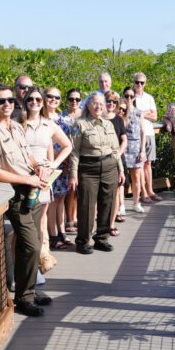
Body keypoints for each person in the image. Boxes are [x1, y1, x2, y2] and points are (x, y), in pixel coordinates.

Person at [0, 83, 52, 317]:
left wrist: (38, 167)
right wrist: (26, 179)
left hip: (32, 189)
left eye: (11, 100)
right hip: (15, 195)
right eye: (2, 101)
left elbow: (26, 154)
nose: (8, 104)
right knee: (30, 245)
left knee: (32, 242)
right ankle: (24, 299)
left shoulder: (16, 127)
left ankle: (26, 291)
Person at [20, 87, 72, 274]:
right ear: (25, 101)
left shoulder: (48, 124)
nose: (34, 102)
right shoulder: (18, 122)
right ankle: (30, 265)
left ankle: (42, 260)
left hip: (43, 177)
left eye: (38, 100)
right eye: (30, 99)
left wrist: (54, 164)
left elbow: (67, 145)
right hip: (22, 176)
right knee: (25, 223)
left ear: (42, 103)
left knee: (41, 221)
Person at [69, 92, 125, 254]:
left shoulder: (108, 124)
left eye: (101, 103)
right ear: (87, 105)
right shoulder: (79, 125)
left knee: (108, 203)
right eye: (94, 103)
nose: (98, 106)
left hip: (109, 167)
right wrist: (73, 174)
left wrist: (120, 170)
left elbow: (115, 150)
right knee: (86, 206)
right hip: (88, 169)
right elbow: (74, 152)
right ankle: (83, 242)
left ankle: (102, 239)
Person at [43, 87, 74, 250]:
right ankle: (52, 235)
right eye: (50, 96)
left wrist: (67, 161)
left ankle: (62, 232)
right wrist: (57, 155)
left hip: (63, 165)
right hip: (48, 166)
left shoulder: (63, 120)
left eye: (57, 97)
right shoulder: (41, 118)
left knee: (61, 198)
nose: (53, 100)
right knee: (52, 200)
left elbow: (68, 142)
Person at [132, 72, 162, 203]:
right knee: (140, 164)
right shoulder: (130, 97)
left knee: (148, 163)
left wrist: (142, 114)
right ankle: (143, 193)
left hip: (149, 132)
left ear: (145, 83)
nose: (139, 85)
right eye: (137, 82)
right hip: (136, 134)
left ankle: (150, 190)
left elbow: (155, 116)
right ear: (133, 82)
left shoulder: (149, 98)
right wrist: (146, 113)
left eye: (142, 82)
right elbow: (131, 115)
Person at [104, 90, 128, 233]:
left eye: (114, 101)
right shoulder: (98, 117)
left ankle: (111, 225)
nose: (111, 104)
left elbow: (124, 139)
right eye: (108, 101)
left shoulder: (119, 119)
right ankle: (100, 225)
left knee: (116, 193)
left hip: (117, 159)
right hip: (101, 160)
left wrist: (118, 154)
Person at [122, 86, 147, 213]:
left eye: (132, 96)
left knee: (136, 177)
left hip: (136, 147)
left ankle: (136, 202)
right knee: (120, 178)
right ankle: (121, 204)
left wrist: (142, 150)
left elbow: (143, 132)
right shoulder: (120, 112)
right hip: (123, 147)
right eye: (126, 96)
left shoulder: (139, 113)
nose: (129, 98)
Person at [61, 89, 82, 235]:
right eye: (71, 99)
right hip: (68, 157)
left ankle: (76, 217)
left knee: (79, 190)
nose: (74, 102)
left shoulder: (85, 114)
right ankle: (69, 219)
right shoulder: (62, 116)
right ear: (67, 100)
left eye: (77, 99)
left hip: (83, 157)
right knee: (70, 189)